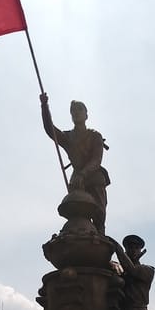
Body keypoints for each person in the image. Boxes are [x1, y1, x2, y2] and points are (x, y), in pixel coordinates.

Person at [40, 93, 110, 233]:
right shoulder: (68, 138)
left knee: (99, 216)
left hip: (94, 179)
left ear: (86, 115)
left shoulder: (95, 136)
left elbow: (96, 160)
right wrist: (44, 106)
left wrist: (83, 174)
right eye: (73, 111)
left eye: (80, 110)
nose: (76, 113)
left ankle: (100, 241)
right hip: (78, 183)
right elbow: (50, 130)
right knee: (76, 214)